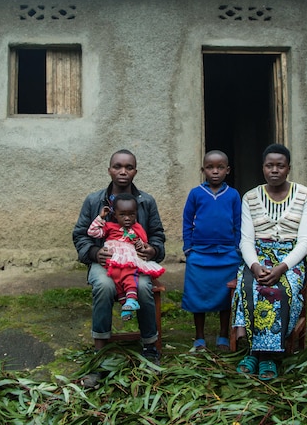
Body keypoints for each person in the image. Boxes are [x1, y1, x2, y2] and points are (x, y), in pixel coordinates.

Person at [72, 150, 166, 387]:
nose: (123, 171)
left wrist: (152, 250)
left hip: (135, 265)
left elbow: (157, 236)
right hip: (104, 264)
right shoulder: (94, 201)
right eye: (117, 166)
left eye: (129, 167)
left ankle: (149, 347)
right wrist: (94, 252)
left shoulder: (146, 201)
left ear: (135, 170)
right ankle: (100, 352)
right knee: (103, 286)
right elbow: (80, 235)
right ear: (109, 170)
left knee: (144, 287)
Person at [232, 143, 307, 381]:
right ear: (263, 168)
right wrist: (255, 266)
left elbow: (305, 241)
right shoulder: (250, 197)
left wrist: (281, 268)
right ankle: (254, 351)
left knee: (279, 289)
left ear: (289, 168)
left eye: (280, 165)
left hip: (291, 259)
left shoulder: (306, 196)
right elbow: (246, 240)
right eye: (270, 165)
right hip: (258, 257)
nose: (275, 170)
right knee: (251, 287)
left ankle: (266, 355)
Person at [181, 150, 241, 352]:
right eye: (210, 167)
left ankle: (223, 335)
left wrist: (237, 247)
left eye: (220, 167)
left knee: (226, 296)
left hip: (227, 255)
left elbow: (239, 223)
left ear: (228, 170)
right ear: (203, 170)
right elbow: (187, 221)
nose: (215, 171)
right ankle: (199, 337)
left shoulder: (233, 195)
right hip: (199, 254)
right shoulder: (196, 193)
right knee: (198, 295)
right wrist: (188, 248)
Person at [87, 193, 165, 321]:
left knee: (129, 275)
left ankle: (131, 299)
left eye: (131, 214)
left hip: (129, 259)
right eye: (122, 215)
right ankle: (126, 306)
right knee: (116, 277)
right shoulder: (109, 226)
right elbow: (92, 232)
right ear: (115, 215)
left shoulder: (137, 228)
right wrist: (101, 217)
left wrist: (144, 246)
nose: (127, 218)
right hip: (114, 259)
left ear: (136, 214)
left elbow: (143, 242)